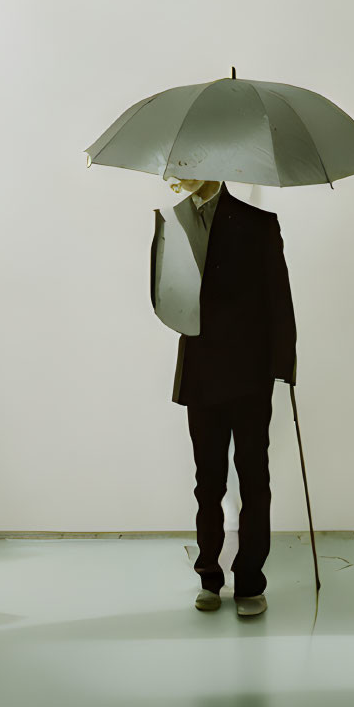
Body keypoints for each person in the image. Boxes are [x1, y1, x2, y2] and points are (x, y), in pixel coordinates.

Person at [154, 175, 296, 617]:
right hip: (201, 373)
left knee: (254, 479)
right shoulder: (172, 223)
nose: (175, 172)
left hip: (251, 373)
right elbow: (163, 294)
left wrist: (283, 366)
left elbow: (279, 298)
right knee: (207, 482)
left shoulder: (258, 223)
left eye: (187, 162)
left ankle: (251, 580)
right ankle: (209, 578)